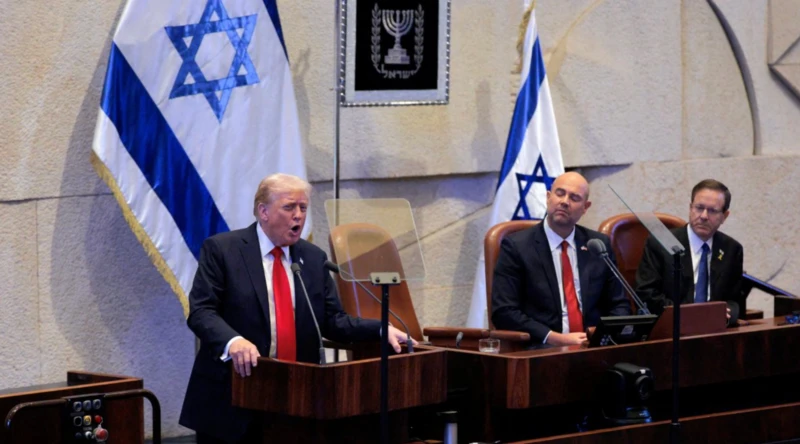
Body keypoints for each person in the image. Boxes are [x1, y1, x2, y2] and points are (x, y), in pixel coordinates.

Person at [179, 173, 415, 444]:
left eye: (303, 207)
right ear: (263, 211)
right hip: (233, 396)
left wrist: (380, 328)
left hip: (295, 397)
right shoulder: (223, 250)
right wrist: (233, 341)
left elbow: (333, 320)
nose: (299, 216)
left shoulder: (313, 258)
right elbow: (201, 311)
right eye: (289, 207)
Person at [491, 172, 631, 347]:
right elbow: (504, 311)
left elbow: (619, 304)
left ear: (585, 207)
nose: (565, 201)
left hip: (594, 345)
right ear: (548, 197)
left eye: (574, 198)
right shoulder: (517, 247)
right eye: (560, 193)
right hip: (543, 347)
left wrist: (601, 335)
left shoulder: (597, 245)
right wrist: (554, 338)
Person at [636, 179, 743, 323]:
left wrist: (725, 314)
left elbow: (735, 301)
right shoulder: (662, 242)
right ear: (690, 208)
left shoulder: (731, 249)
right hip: (671, 327)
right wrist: (693, 316)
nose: (704, 216)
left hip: (715, 329)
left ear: (724, 216)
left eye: (712, 211)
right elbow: (647, 294)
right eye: (699, 208)